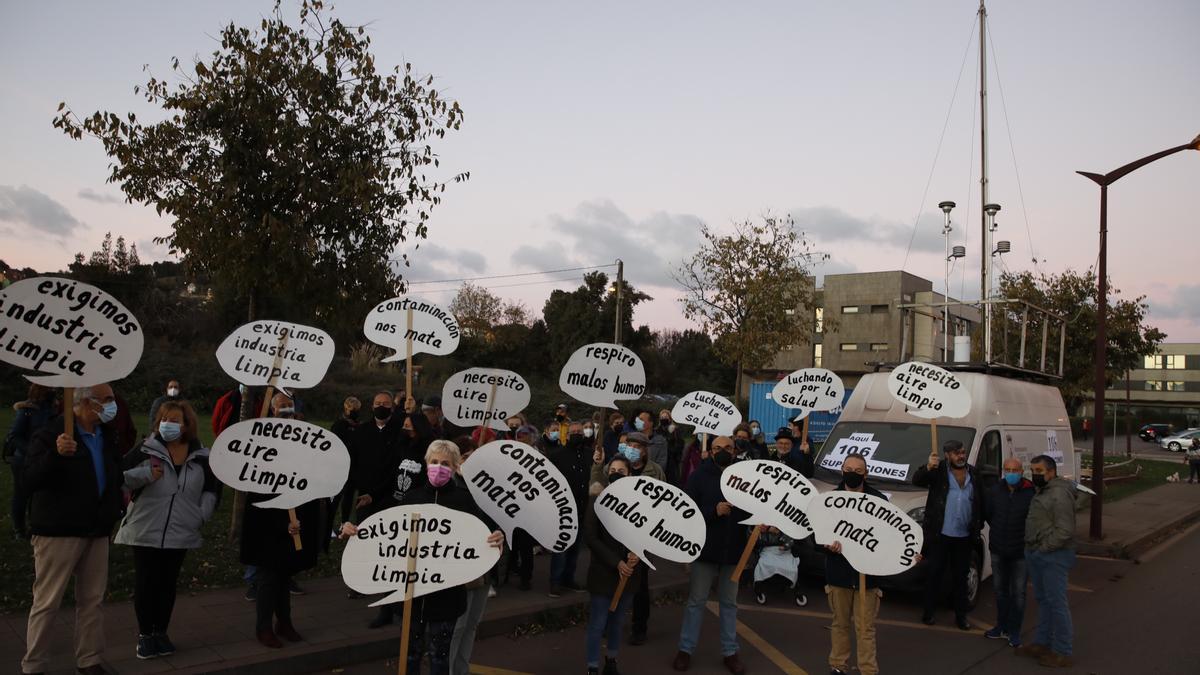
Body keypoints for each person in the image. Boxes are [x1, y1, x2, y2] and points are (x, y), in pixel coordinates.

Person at [342, 440, 503, 674]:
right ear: (427, 464)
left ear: (456, 467)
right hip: (411, 598)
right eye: (435, 462)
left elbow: (485, 537)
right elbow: (387, 534)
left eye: (446, 463)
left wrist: (497, 538)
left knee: (440, 657)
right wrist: (355, 532)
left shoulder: (466, 500)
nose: (439, 467)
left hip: (447, 598)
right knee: (410, 655)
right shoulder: (411, 498)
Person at [21, 383, 125, 675]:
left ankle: (89, 659)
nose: (110, 405)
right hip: (59, 530)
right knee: (48, 601)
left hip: (97, 528)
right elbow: (29, 481)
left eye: (111, 399)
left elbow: (112, 474)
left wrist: (114, 506)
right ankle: (34, 664)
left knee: (92, 600)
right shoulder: (51, 433)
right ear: (82, 401)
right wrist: (55, 454)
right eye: (105, 399)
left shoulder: (106, 436)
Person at [115, 400, 220, 659]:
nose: (168, 424)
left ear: (186, 425)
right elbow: (119, 477)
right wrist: (146, 474)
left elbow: (213, 489)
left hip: (182, 530)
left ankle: (161, 632)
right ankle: (145, 635)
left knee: (167, 584)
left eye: (174, 420)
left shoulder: (203, 456)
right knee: (146, 583)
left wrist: (201, 514)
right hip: (145, 528)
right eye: (164, 419)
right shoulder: (145, 449)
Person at [672, 435, 747, 675]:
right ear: (711, 451)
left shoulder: (745, 478)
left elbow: (755, 509)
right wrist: (712, 511)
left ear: (734, 451)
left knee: (729, 604)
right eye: (717, 448)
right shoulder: (698, 477)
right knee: (696, 602)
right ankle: (685, 649)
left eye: (727, 447)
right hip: (705, 550)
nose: (723, 451)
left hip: (734, 551)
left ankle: (730, 652)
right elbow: (686, 512)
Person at [823, 453, 886, 675]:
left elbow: (889, 538)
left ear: (865, 474)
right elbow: (817, 535)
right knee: (839, 624)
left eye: (858, 471)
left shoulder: (879, 501)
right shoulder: (829, 500)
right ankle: (838, 666)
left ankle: (868, 670)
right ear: (842, 470)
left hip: (867, 577)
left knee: (865, 628)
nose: (852, 474)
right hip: (838, 574)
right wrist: (827, 545)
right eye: (848, 469)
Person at [913, 439, 984, 629]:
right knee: (934, 574)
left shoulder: (973, 473)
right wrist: (928, 466)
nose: (960, 456)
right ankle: (928, 613)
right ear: (947, 455)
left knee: (961, 577)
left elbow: (980, 500)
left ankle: (961, 617)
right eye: (956, 453)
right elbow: (917, 480)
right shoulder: (938, 470)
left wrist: (978, 524)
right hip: (940, 535)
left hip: (964, 536)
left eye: (962, 452)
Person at [584, 454, 644, 675]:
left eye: (622, 471)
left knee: (617, 622)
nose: (616, 474)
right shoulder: (596, 499)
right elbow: (591, 537)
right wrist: (616, 562)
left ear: (630, 474)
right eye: (613, 471)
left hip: (629, 573)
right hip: (603, 573)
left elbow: (648, 534)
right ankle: (592, 666)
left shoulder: (640, 503)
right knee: (598, 623)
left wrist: (639, 553)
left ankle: (611, 660)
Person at [1016, 454, 1077, 668]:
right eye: (1032, 471)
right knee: (1044, 600)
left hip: (1053, 555)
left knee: (1057, 603)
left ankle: (1062, 651)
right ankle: (1042, 642)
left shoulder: (1058, 494)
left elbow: (1065, 530)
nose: (1035, 475)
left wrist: (1044, 548)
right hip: (1037, 552)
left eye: (1039, 472)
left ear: (1051, 471)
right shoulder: (1043, 490)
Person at [981, 456, 1035, 648]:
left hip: (1020, 552)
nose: (1011, 474)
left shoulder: (1030, 492)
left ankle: (1014, 632)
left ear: (1022, 472)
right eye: (1007, 470)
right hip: (998, 550)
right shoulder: (995, 491)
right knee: (1000, 591)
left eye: (1015, 470)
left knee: (1018, 594)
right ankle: (1000, 627)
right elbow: (989, 515)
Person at [5, 384, 57, 539]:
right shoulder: (27, 411)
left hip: (43, 458)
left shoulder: (53, 409)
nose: (53, 393)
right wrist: (31, 451)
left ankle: (35, 524)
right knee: (21, 494)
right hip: (23, 459)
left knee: (39, 494)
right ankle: (19, 528)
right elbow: (14, 436)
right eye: (49, 390)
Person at [548, 421, 591, 597]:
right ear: (567, 434)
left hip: (582, 508)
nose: (576, 434)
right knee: (561, 548)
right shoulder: (557, 455)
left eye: (579, 431)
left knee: (575, 548)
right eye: (573, 432)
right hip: (563, 510)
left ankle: (568, 578)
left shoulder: (590, 455)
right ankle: (555, 582)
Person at [329, 396, 362, 529]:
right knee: (336, 497)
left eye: (357, 409)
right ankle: (328, 525)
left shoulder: (358, 425)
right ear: (347, 409)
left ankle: (344, 523)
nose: (355, 412)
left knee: (349, 495)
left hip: (354, 466)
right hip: (340, 466)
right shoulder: (339, 425)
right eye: (353, 409)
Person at [658, 409, 685, 485]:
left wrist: (671, 435)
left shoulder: (675, 430)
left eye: (666, 417)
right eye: (662, 417)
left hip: (672, 460)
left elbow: (680, 444)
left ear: (670, 418)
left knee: (672, 481)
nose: (664, 419)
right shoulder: (657, 430)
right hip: (660, 459)